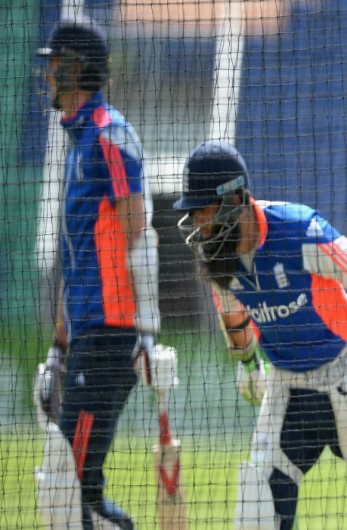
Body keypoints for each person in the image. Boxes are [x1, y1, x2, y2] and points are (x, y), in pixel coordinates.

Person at [172, 139, 347, 530]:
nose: (197, 223)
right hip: (288, 387)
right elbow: (234, 317)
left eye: (202, 209)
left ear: (234, 199)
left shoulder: (298, 229)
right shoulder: (218, 260)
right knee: (256, 511)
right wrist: (247, 363)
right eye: (192, 213)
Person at [32, 17, 166, 529]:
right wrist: (56, 349)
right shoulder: (79, 142)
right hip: (87, 336)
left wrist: (147, 335)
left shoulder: (111, 135)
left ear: (75, 69)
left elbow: (140, 233)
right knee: (74, 486)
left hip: (112, 339)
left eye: (53, 65)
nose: (46, 76)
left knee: (64, 481)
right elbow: (78, 256)